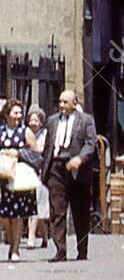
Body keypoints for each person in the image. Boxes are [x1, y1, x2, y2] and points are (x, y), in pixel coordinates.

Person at [42, 88, 99, 263]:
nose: (62, 105)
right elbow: (47, 147)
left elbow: (91, 143)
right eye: (60, 102)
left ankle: (82, 250)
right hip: (57, 168)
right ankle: (60, 251)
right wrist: (45, 167)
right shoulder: (52, 121)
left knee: (80, 212)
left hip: (77, 171)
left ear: (75, 104)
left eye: (65, 102)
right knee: (57, 211)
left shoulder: (86, 121)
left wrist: (80, 159)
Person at [0, 99, 37, 262]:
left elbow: (37, 154)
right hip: (1, 175)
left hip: (18, 177)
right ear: (6, 115)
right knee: (3, 214)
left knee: (17, 213)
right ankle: (10, 238)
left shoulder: (25, 132)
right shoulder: (0, 131)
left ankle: (15, 248)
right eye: (15, 112)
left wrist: (19, 153)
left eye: (20, 113)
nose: (18, 116)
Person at [24, 105, 49, 250]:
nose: (33, 123)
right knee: (34, 206)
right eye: (31, 120)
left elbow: (44, 151)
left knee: (36, 204)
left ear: (41, 121)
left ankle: (31, 238)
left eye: (36, 120)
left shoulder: (45, 135)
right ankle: (45, 237)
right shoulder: (25, 133)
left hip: (40, 172)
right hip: (27, 171)